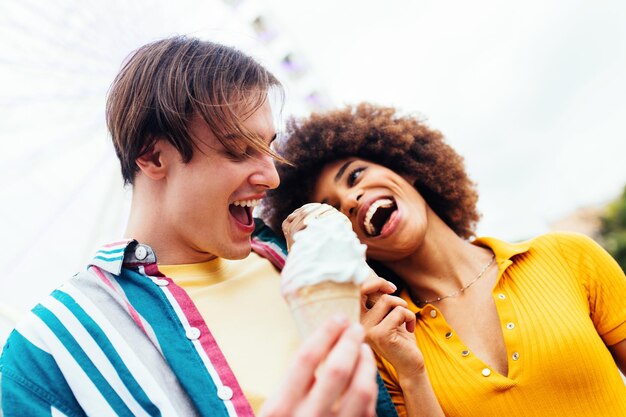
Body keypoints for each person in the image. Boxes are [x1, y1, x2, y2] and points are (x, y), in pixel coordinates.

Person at [0, 37, 394, 417]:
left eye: (269, 147)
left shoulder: (303, 258)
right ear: (152, 156)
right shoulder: (49, 351)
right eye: (239, 150)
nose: (272, 177)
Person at [261, 103, 626, 417]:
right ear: (350, 244)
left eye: (356, 175)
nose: (352, 200)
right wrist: (411, 371)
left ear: (405, 168)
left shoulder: (567, 256)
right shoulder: (385, 343)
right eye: (336, 212)